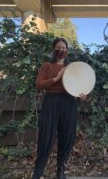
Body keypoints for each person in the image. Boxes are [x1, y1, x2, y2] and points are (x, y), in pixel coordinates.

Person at [32, 37, 86, 179]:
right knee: (46, 137)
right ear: (54, 49)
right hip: (51, 102)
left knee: (67, 137)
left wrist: (82, 94)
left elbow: (79, 85)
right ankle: (38, 172)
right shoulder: (46, 66)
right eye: (58, 47)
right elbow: (39, 85)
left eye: (64, 48)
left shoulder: (72, 68)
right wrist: (56, 78)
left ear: (67, 50)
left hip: (69, 103)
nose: (61, 50)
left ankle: (60, 170)